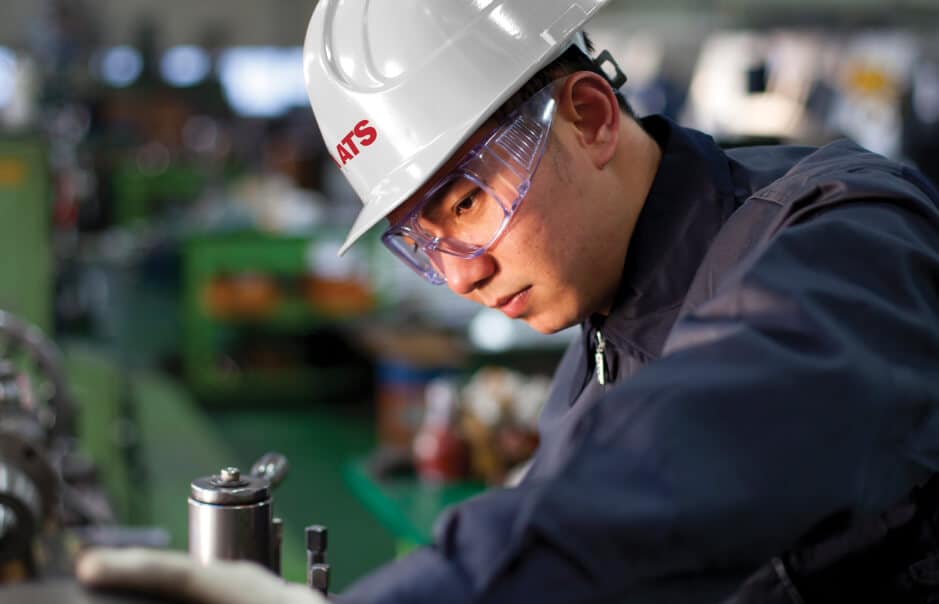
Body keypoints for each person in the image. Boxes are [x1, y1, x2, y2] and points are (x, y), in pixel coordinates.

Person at [78, 1, 939, 603]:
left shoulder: (846, 233)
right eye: (420, 241)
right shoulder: (590, 359)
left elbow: (681, 454)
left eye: (465, 204)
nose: (459, 276)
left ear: (592, 117)